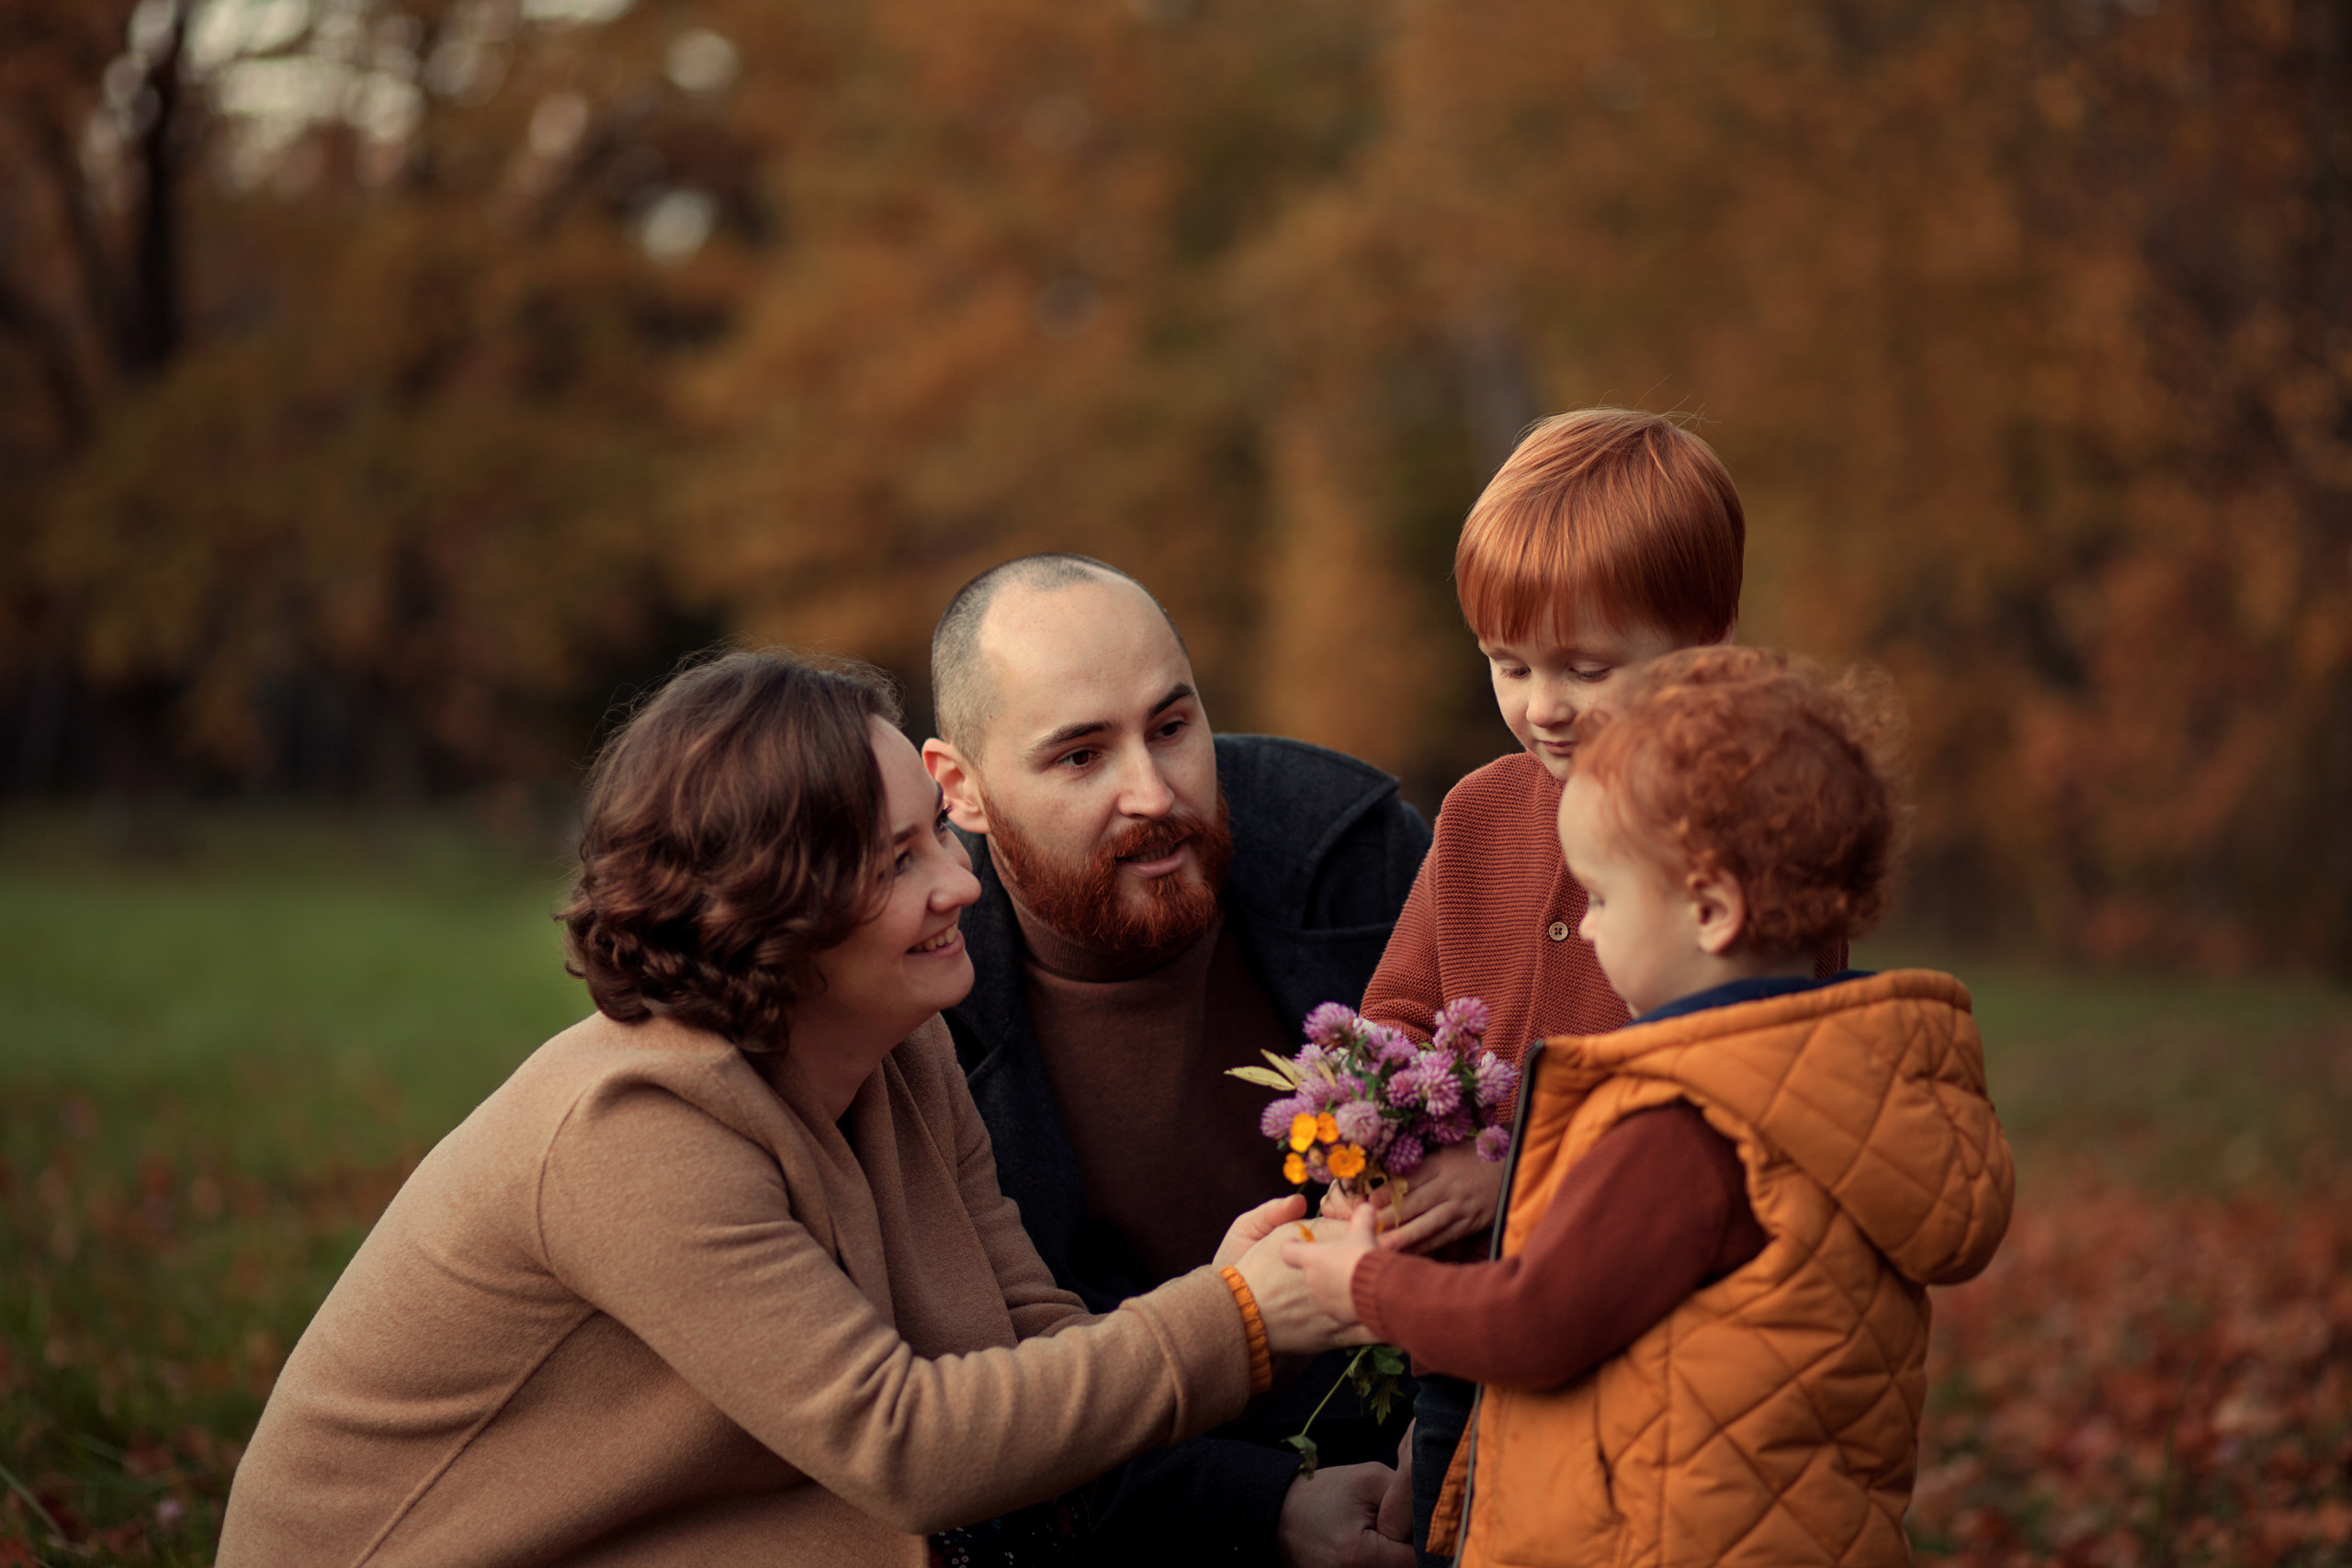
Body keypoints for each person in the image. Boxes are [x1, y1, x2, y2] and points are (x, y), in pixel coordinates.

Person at [216, 650, 1368, 1568]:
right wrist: (1236, 1320)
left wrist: (1253, 1427)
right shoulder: (633, 1131)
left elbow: (1022, 1343)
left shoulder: (896, 1050)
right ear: (772, 907)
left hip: (684, 1531)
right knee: (974, 1532)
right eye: (898, 862)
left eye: (938, 836)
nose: (960, 887)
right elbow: (909, 1446)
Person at [1286, 646, 2015, 1567]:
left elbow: (1530, 1323)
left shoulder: (1685, 1126)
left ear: (1709, 909)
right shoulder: (1843, 1083)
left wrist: (1366, 1287)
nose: (1583, 926)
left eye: (1599, 895)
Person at [1341, 408, 1845, 1561]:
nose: (1542, 706)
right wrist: (1395, 1148)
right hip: (1462, 1310)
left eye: (1587, 667)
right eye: (1507, 666)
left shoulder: (1748, 838)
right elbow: (1393, 1016)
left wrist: (1502, 1159)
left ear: (1706, 645)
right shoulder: (1478, 814)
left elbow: (1737, 1094)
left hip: (1652, 1330)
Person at [920, 555, 1431, 1567]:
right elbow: (970, 1409)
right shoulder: (915, 999)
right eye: (1079, 758)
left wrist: (1461, 1416)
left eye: (1170, 726)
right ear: (961, 790)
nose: (1152, 793)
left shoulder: (1352, 851)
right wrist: (1258, 1508)